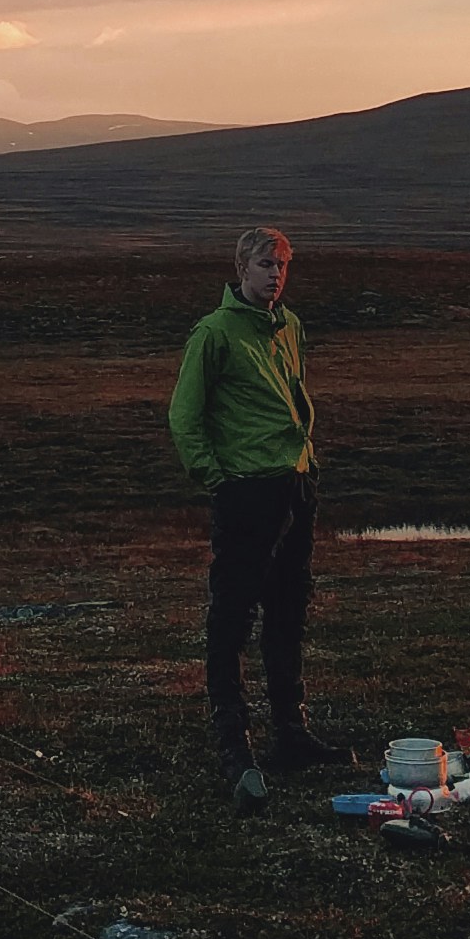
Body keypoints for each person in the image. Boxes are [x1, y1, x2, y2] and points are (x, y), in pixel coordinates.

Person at [167, 225, 352, 806]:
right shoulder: (215, 333)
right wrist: (215, 478)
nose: (275, 274)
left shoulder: (289, 325)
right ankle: (234, 743)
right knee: (233, 616)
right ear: (241, 268)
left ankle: (290, 734)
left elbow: (294, 393)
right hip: (247, 492)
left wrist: (307, 464)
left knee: (289, 610)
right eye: (266, 264)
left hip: (295, 485)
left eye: (283, 265)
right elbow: (185, 414)